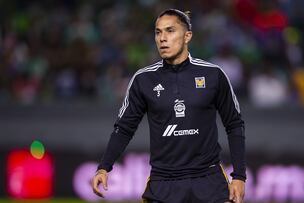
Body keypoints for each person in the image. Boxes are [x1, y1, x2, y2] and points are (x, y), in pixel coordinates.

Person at [92, 9, 246, 203]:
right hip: (163, 183)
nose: (162, 38)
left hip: (208, 181)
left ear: (187, 36)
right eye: (158, 32)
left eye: (170, 30)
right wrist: (104, 167)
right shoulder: (143, 79)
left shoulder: (213, 75)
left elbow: (234, 124)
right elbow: (124, 128)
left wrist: (239, 176)